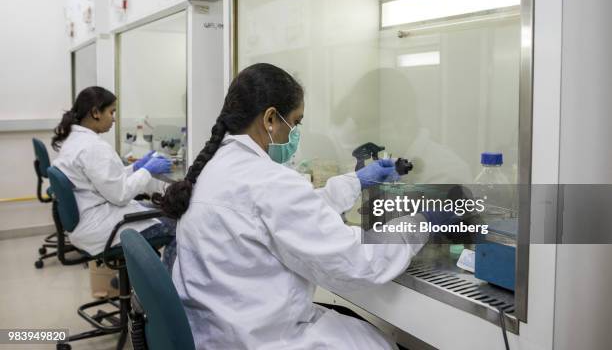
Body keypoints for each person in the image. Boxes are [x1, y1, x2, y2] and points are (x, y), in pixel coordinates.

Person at [160, 64, 452, 349]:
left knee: (358, 330)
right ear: (271, 119)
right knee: (379, 341)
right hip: (258, 336)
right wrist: (419, 223)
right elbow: (356, 261)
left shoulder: (217, 167)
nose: (295, 133)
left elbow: (288, 213)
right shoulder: (268, 181)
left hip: (218, 329)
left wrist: (356, 181)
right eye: (296, 122)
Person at [52, 86, 177, 271]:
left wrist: (135, 167)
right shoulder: (93, 147)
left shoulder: (74, 141)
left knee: (160, 210)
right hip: (103, 228)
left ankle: (141, 285)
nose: (114, 118)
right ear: (95, 112)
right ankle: (164, 294)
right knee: (178, 226)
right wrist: (147, 171)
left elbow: (104, 180)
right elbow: (120, 195)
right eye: (111, 112)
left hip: (89, 222)